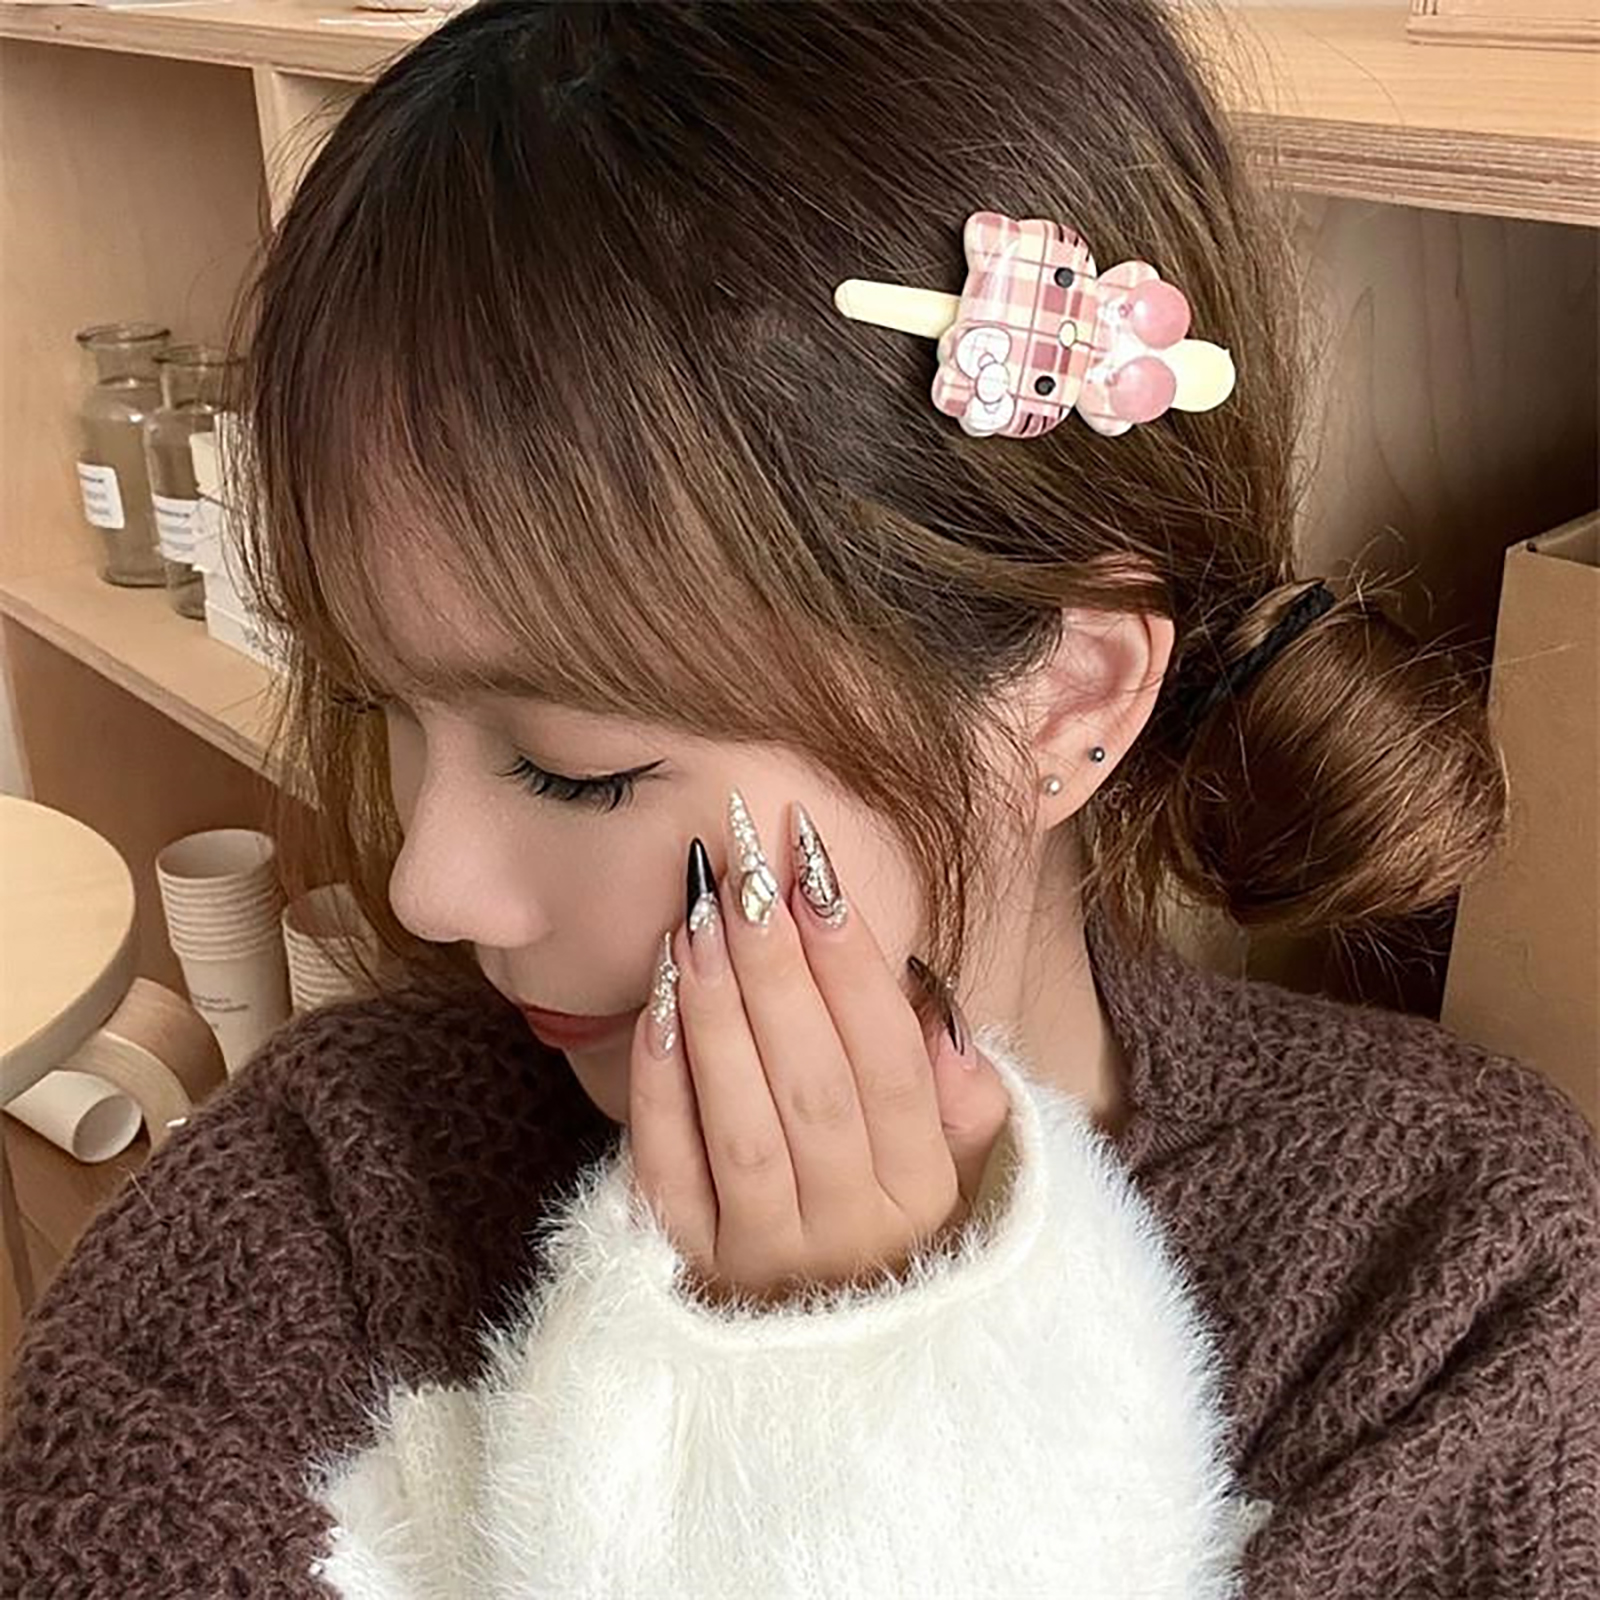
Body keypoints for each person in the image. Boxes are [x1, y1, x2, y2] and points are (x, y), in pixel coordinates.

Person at [4, 2, 1597, 1595]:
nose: (430, 885)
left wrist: (840, 1437)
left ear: (1067, 698)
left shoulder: (1452, 1285)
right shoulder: (335, 1190)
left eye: (575, 765)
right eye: (381, 705)